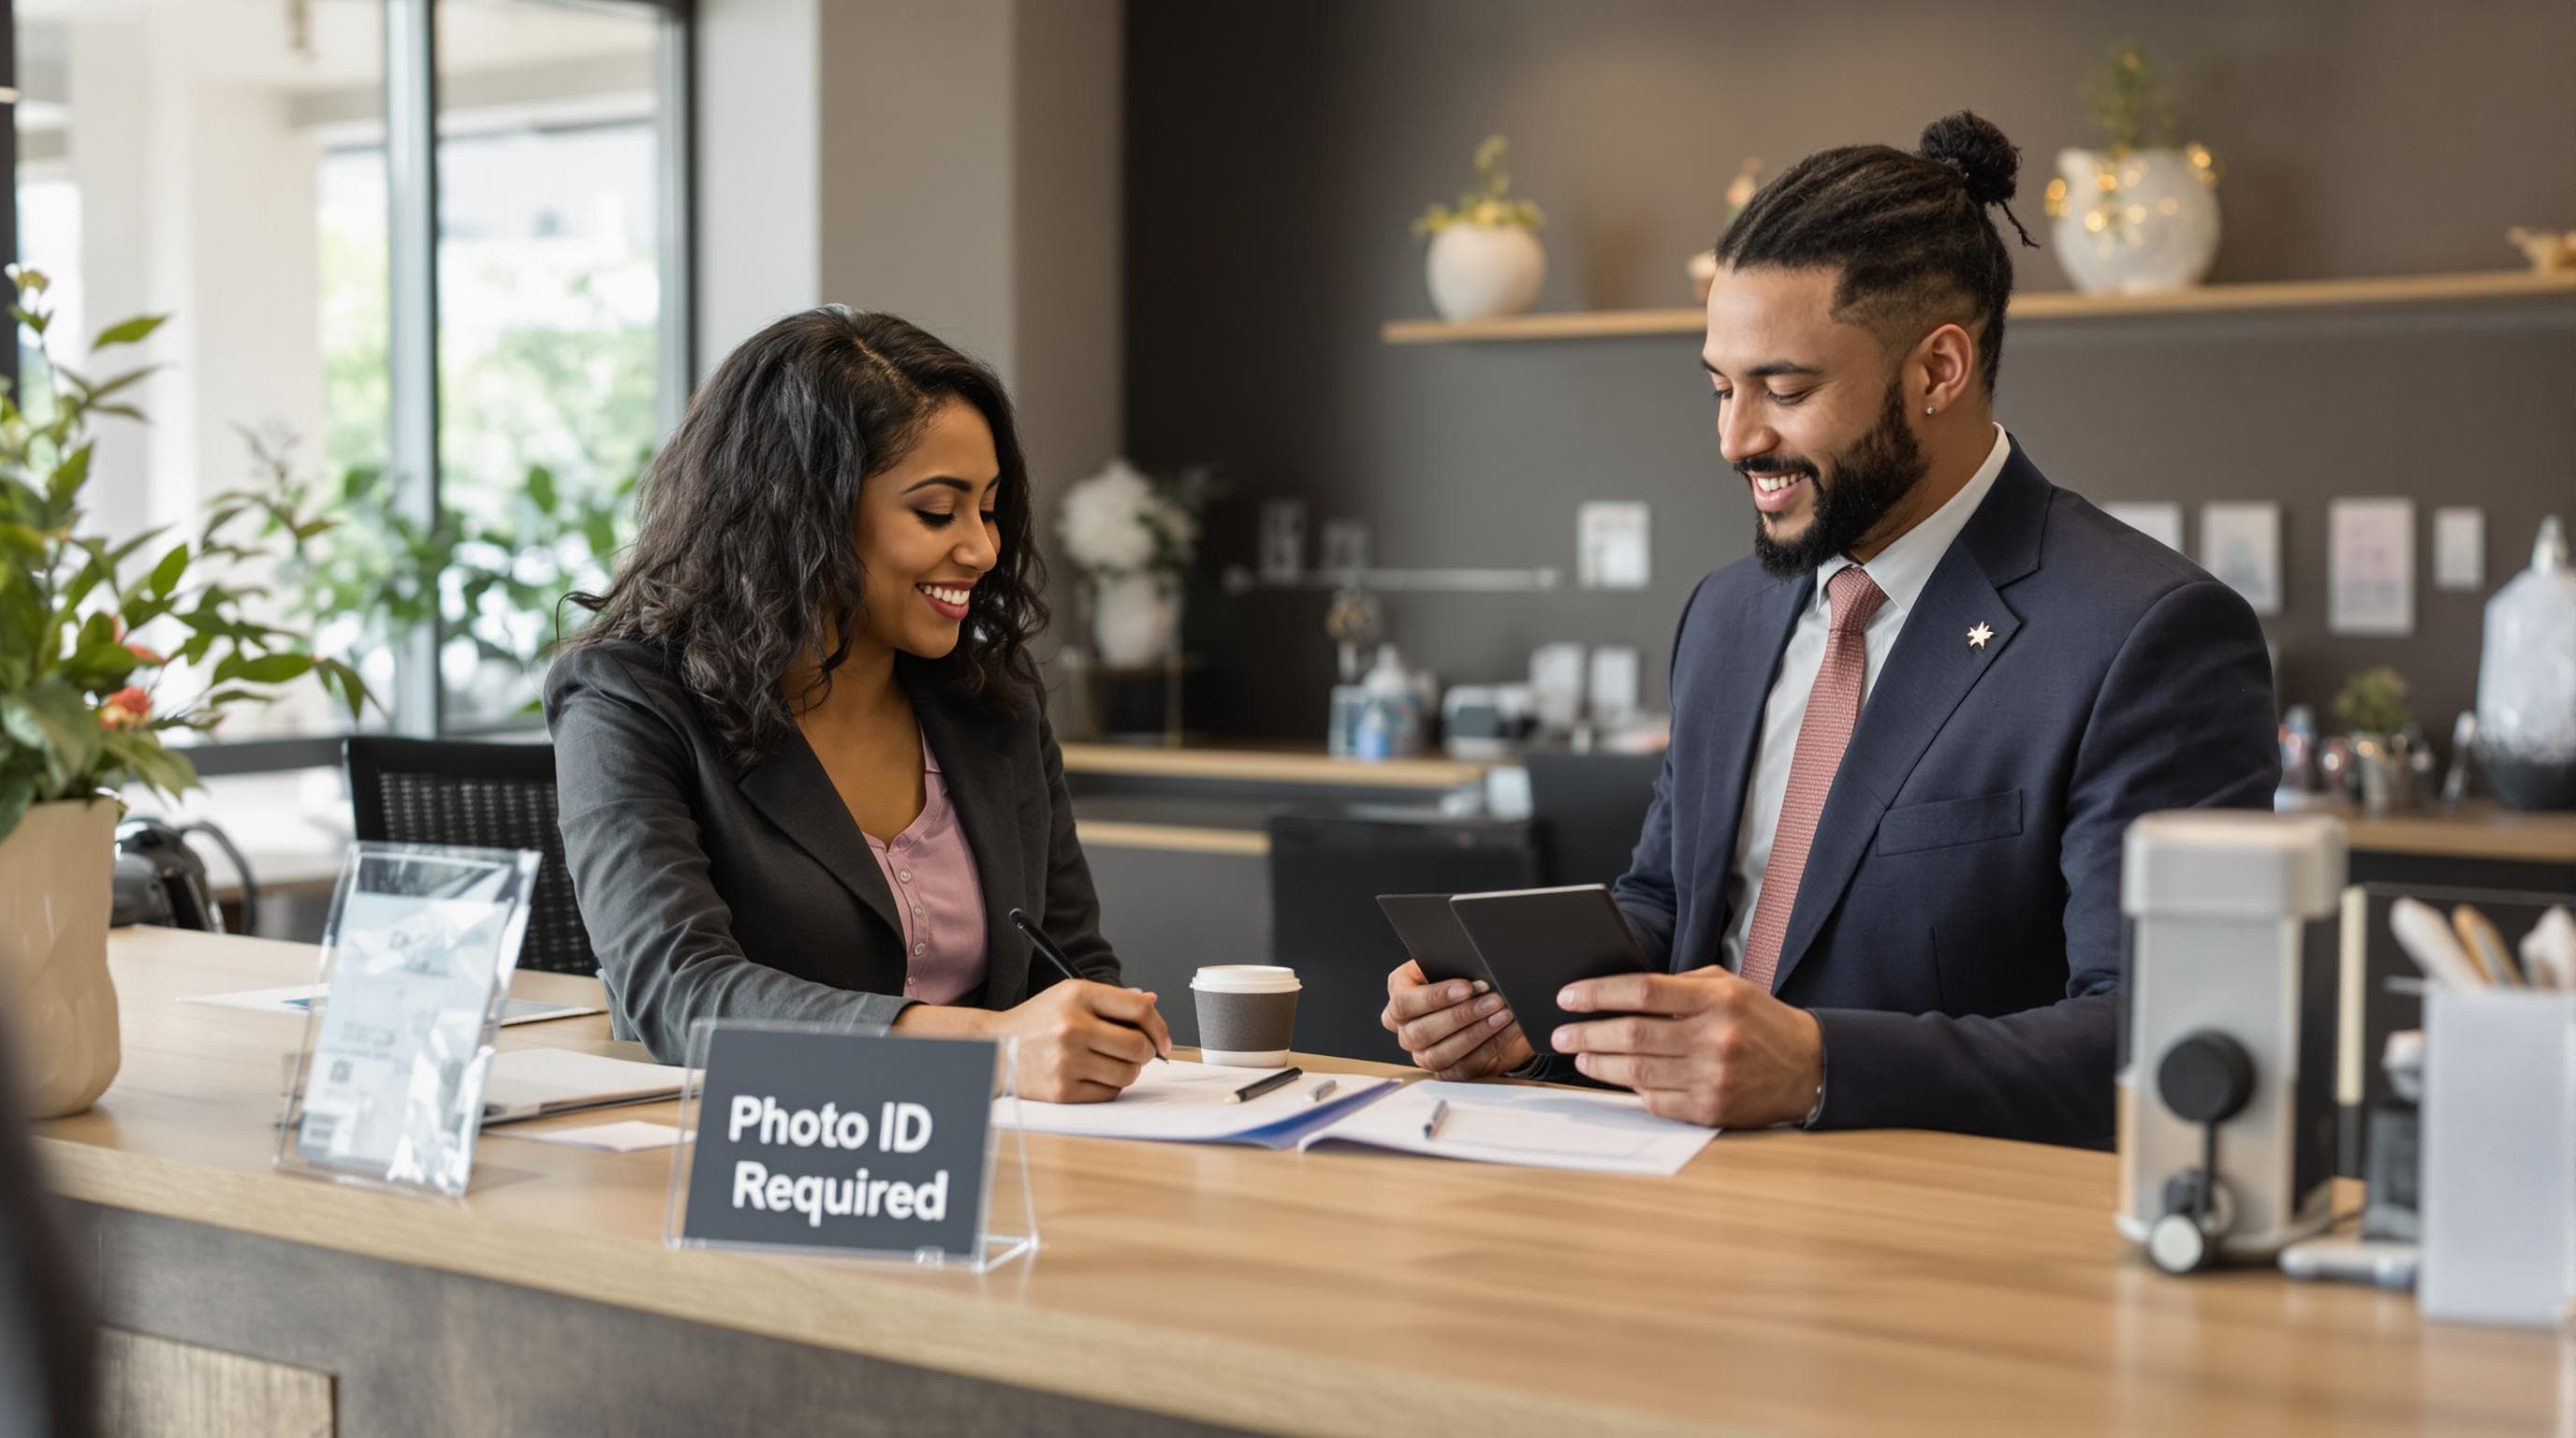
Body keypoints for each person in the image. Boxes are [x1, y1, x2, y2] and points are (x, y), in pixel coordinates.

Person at [1382, 112, 2277, 1145]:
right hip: (1675, 1209)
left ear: (1937, 372)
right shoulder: (1726, 613)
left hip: (1944, 1250)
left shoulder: (2148, 636)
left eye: (1785, 389)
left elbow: (2162, 1041)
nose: (1735, 439)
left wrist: (1818, 1067)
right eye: (1721, 387)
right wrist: (1528, 1014)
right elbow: (1670, 906)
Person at [548, 307, 1170, 1103]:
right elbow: (680, 995)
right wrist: (991, 1049)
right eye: (938, 512)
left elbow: (1070, 966)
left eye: (988, 509)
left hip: (1000, 1168)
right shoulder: (627, 700)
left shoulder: (993, 706)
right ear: (802, 513)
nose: (981, 548)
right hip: (748, 1160)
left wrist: (1099, 1035)